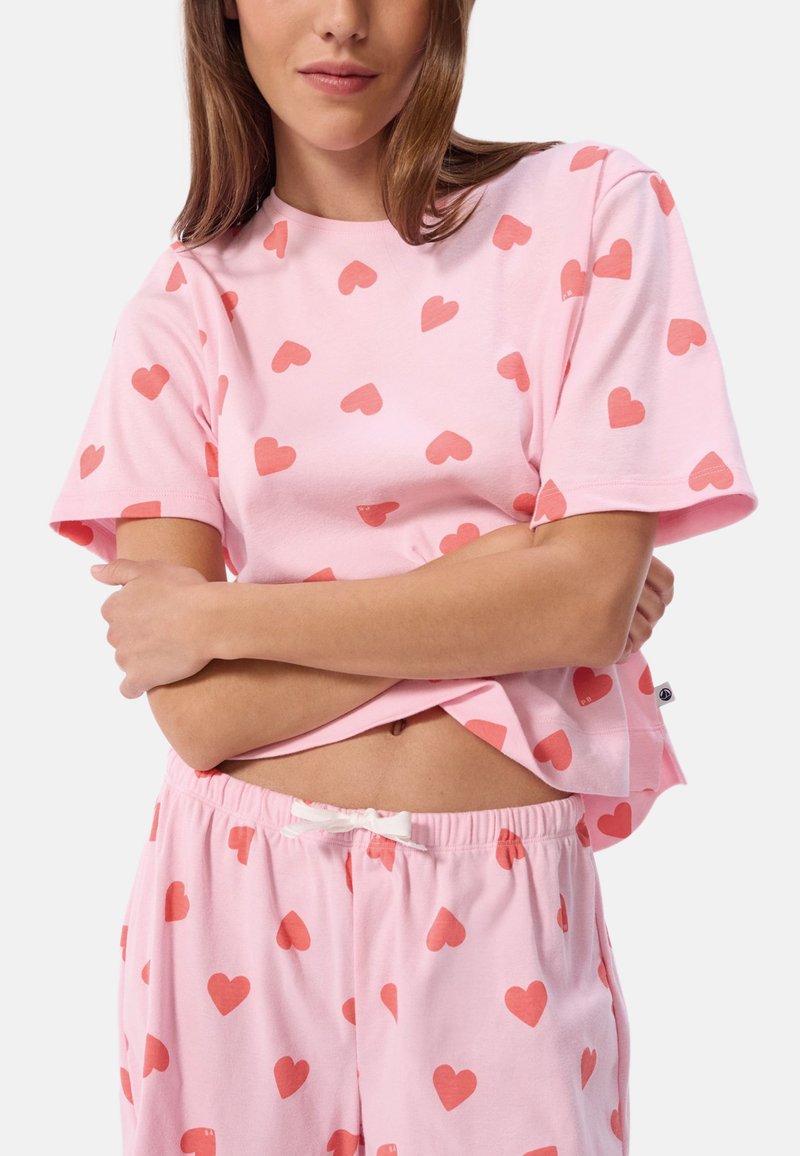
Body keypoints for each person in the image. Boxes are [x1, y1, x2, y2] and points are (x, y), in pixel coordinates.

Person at [48, 1, 759, 1153]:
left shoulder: (590, 209)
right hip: (230, 904)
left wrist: (224, 617)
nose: (342, 21)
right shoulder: (180, 307)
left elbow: (581, 603)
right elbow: (201, 714)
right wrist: (509, 583)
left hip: (492, 912)